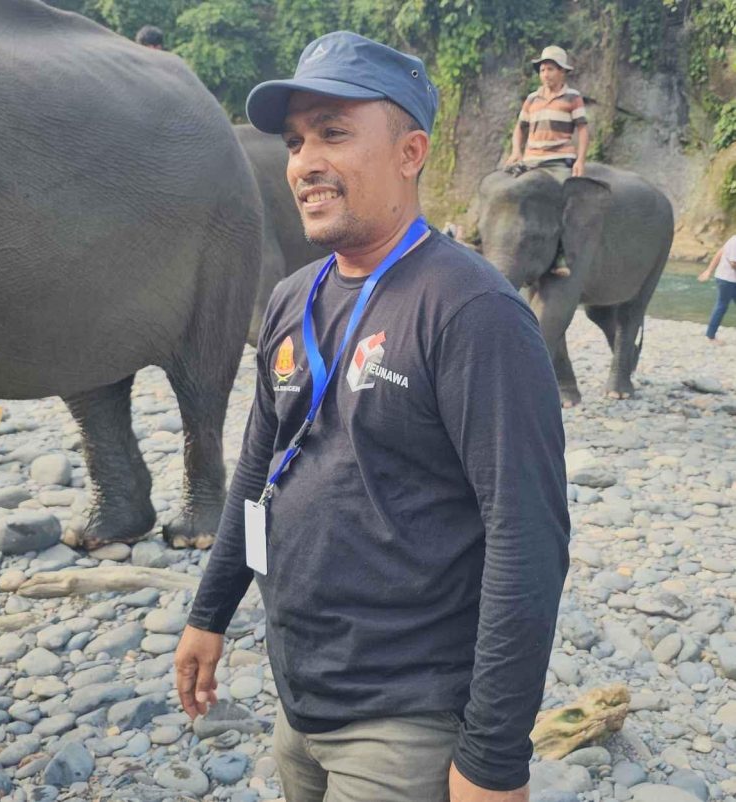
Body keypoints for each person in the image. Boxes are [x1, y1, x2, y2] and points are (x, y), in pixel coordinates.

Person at [174, 31, 570, 802]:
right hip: (301, 698)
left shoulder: (473, 311)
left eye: (334, 133)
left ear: (411, 152)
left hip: (407, 723)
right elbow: (258, 474)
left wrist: (492, 760)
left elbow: (529, 539)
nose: (303, 162)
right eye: (295, 141)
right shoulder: (293, 298)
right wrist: (209, 612)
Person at [505, 45, 590, 278]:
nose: (545, 74)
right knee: (500, 186)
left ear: (562, 72)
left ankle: (560, 254)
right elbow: (519, 128)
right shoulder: (532, 99)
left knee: (565, 199)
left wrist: (580, 160)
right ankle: (477, 237)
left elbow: (582, 129)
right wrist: (516, 152)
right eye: (542, 69)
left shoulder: (573, 98)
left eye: (550, 69)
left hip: (558, 160)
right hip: (531, 160)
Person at [698, 234, 736, 344]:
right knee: (722, 306)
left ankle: (710, 335)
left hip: (730, 279)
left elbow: (720, 252)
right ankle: (710, 336)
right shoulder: (734, 241)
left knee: (721, 305)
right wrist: (709, 271)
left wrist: (709, 270)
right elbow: (734, 264)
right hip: (726, 279)